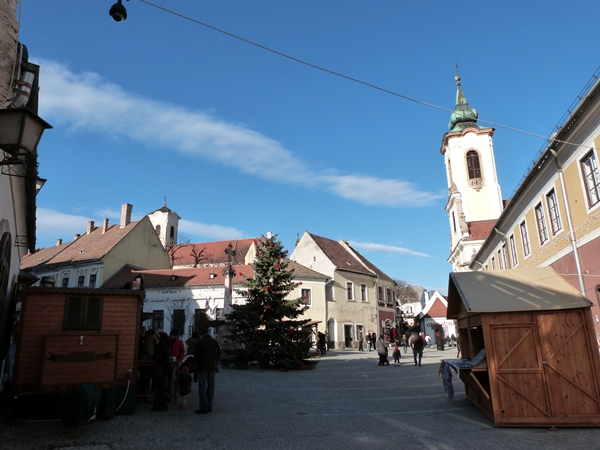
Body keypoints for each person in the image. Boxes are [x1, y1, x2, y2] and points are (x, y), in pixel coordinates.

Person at [193, 326, 221, 414]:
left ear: (201, 334)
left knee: (202, 386)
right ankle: (209, 405)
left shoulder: (201, 342)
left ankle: (203, 406)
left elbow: (196, 354)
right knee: (211, 386)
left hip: (203, 367)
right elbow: (218, 353)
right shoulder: (214, 342)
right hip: (212, 366)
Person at [152, 332, 171, 412]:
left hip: (157, 368)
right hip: (163, 369)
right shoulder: (165, 347)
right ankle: (161, 405)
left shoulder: (158, 345)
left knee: (159, 388)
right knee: (162, 388)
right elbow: (166, 360)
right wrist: (170, 369)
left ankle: (157, 405)